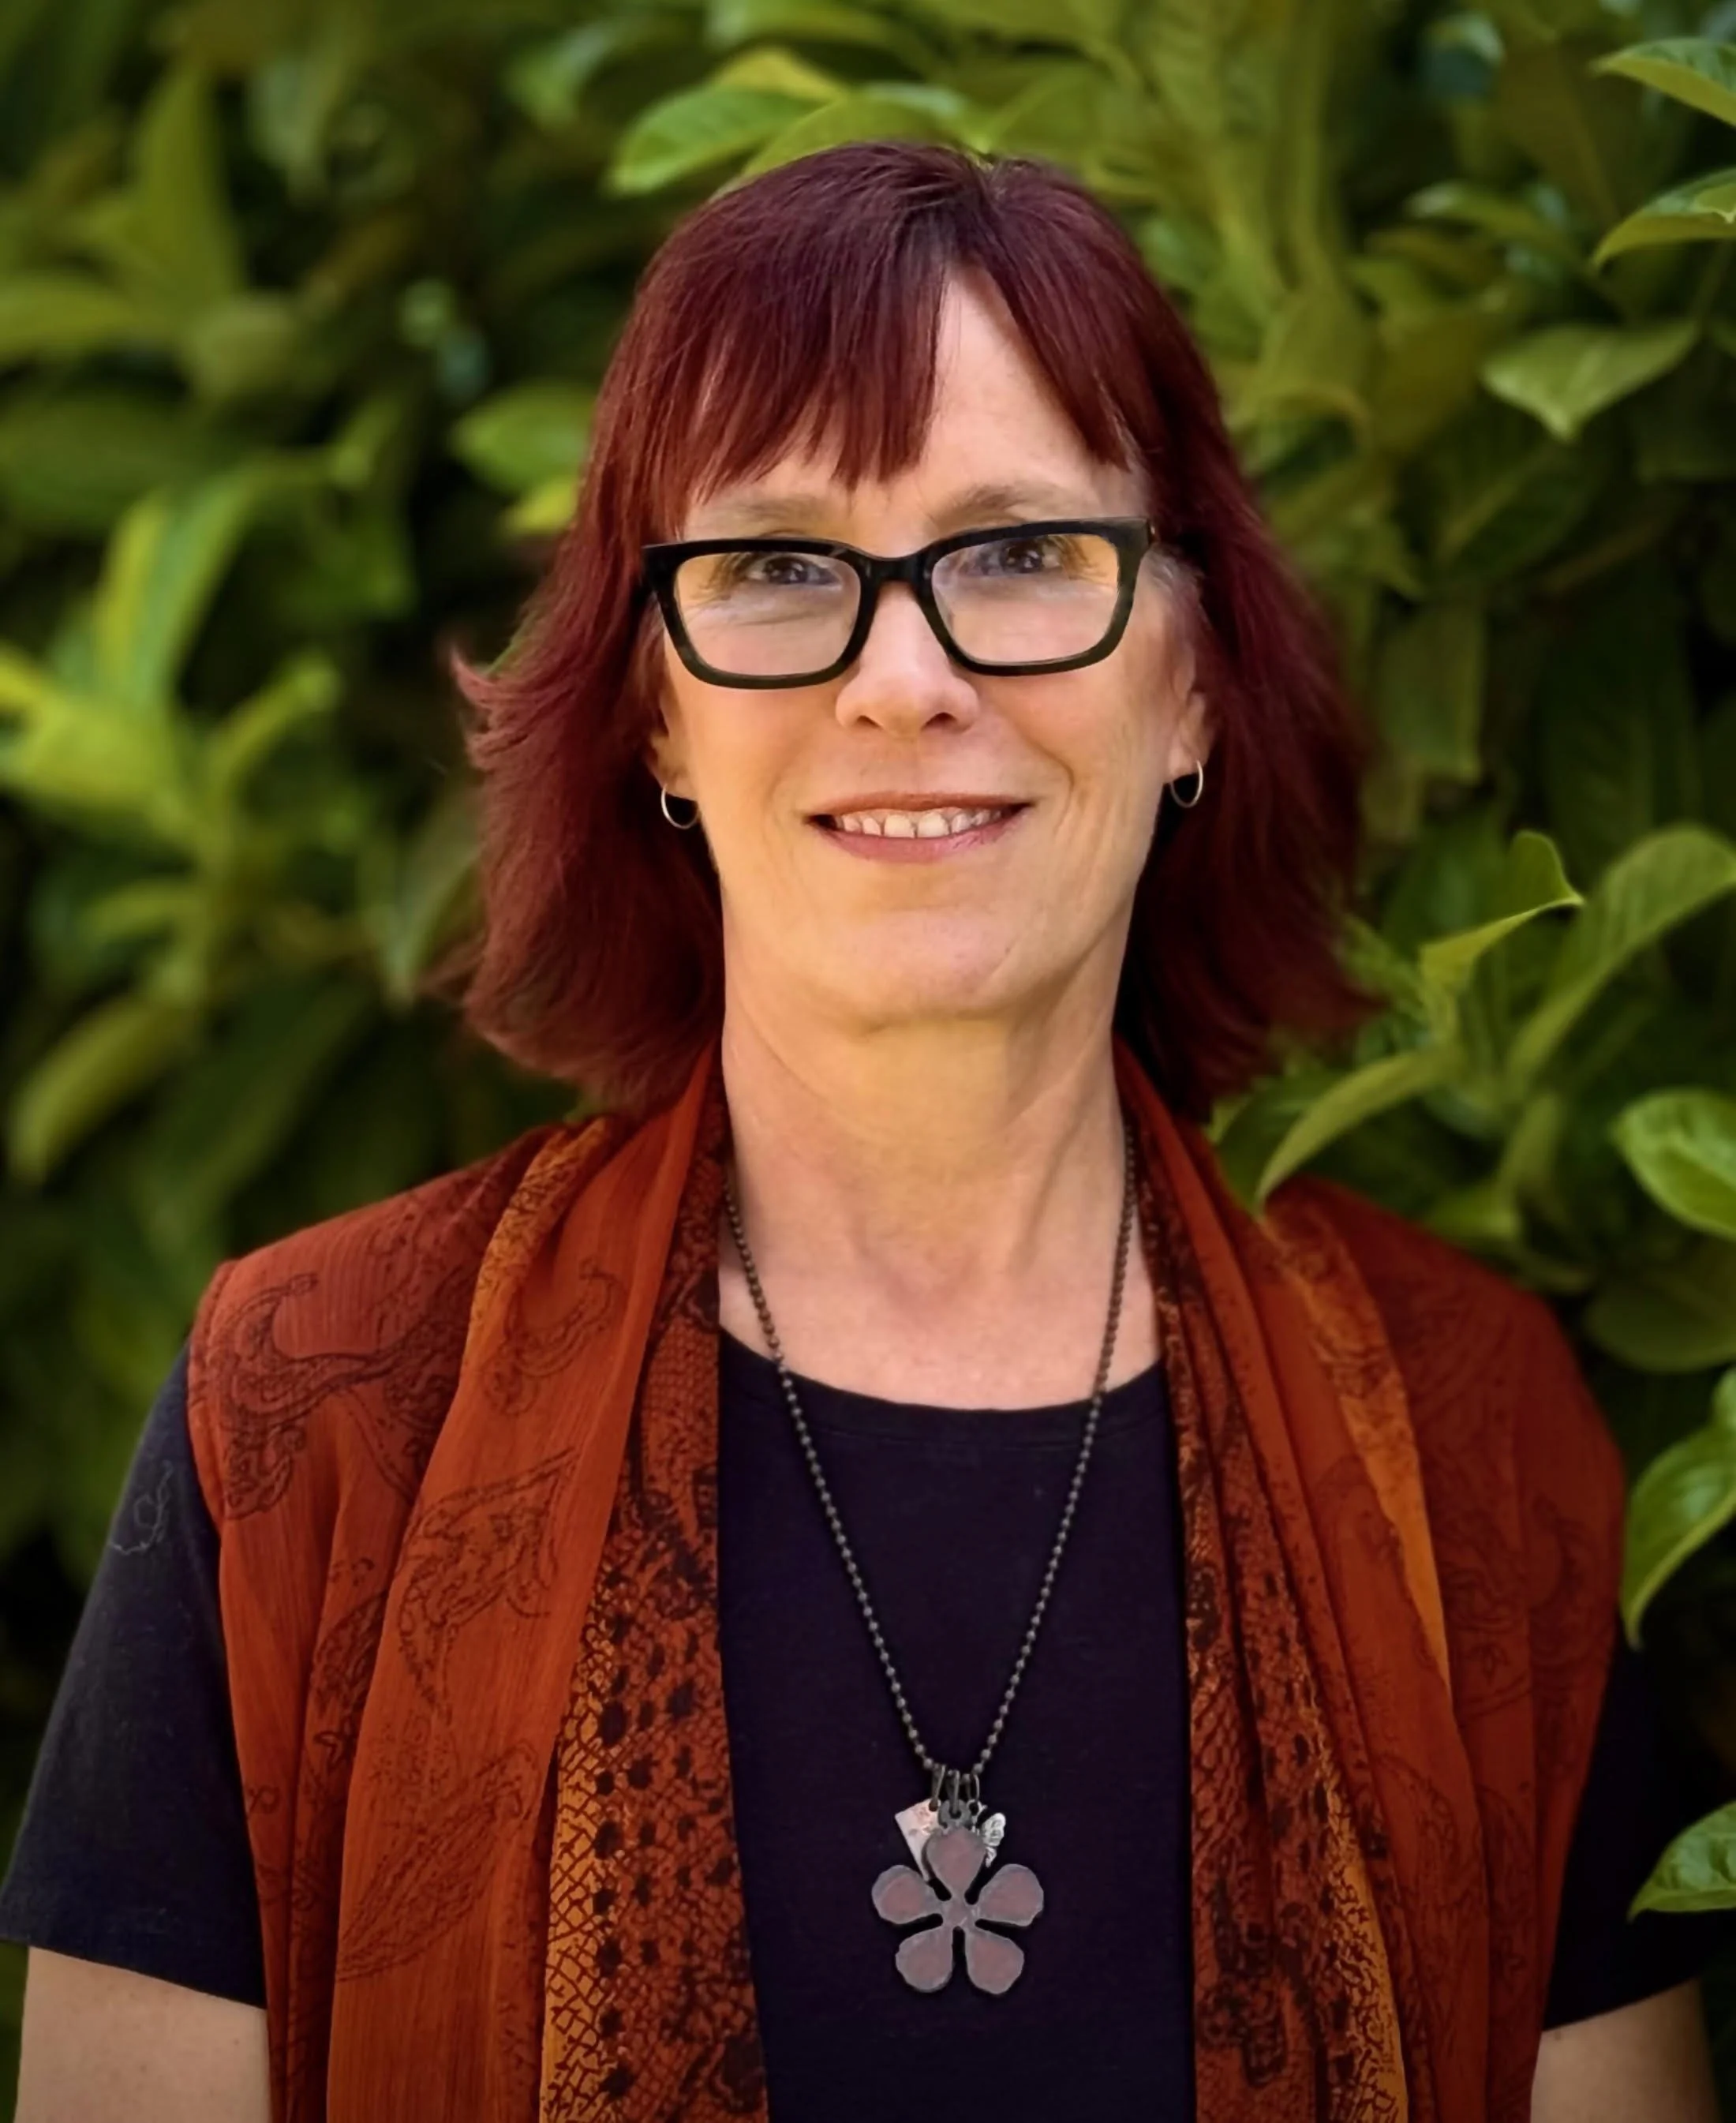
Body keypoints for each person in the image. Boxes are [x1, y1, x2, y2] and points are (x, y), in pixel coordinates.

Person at [2, 140, 1727, 2123]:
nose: (900, 680)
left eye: (1015, 553)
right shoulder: (304, 1420)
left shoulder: (1466, 1437)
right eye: (777, 568)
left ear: (1192, 681)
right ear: (656, 708)